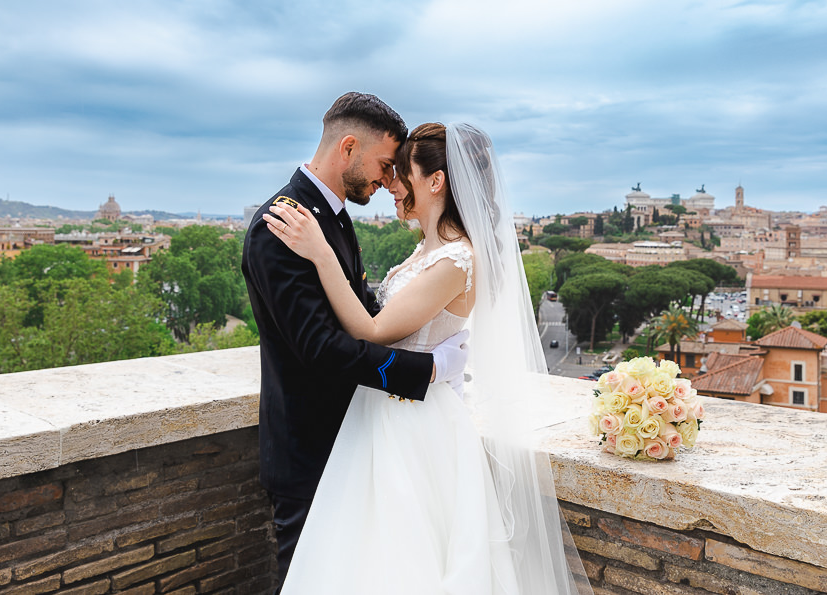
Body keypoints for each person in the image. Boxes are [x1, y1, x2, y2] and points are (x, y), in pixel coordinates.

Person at [264, 122, 588, 594]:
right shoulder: (428, 251)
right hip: (383, 412)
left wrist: (320, 253)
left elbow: (372, 330)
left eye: (402, 174)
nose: (393, 186)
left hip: (415, 426)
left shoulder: (457, 259)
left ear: (435, 181)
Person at [240, 93, 471, 592]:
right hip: (310, 449)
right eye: (386, 164)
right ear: (348, 147)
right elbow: (320, 347)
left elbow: (365, 308)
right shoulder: (281, 226)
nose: (389, 180)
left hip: (363, 438)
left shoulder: (333, 218)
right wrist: (425, 371)